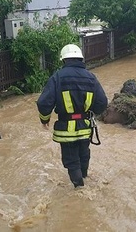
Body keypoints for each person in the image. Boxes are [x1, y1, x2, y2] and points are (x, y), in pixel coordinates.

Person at [37, 44, 108, 188]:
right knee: (84, 155)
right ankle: (84, 181)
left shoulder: (57, 77)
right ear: (81, 59)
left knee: (71, 160)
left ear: (63, 60)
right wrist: (90, 113)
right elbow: (102, 103)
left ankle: (79, 191)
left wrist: (45, 119)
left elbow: (44, 103)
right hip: (85, 127)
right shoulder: (91, 77)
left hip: (66, 129)